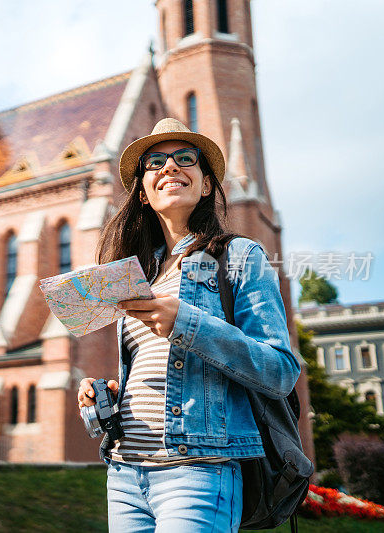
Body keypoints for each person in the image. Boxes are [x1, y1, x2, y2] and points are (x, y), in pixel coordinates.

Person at [77, 118, 301, 532]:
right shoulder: (136, 274)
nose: (170, 167)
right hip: (125, 472)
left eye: (186, 159)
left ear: (205, 186)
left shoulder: (240, 256)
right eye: (155, 162)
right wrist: (102, 397)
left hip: (200, 468)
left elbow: (281, 371)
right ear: (143, 194)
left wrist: (188, 323)